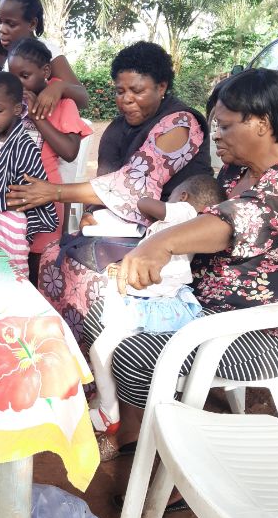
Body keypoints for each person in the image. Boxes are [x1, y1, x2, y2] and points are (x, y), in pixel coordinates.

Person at [84, 69, 278, 508]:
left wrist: (160, 243)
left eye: (226, 124)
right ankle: (144, 429)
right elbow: (193, 214)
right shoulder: (235, 173)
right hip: (201, 311)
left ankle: (177, 467)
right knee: (102, 308)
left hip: (267, 332)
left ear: (263, 123)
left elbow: (229, 225)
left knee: (136, 353)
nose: (216, 134)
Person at [7, 42, 212, 346]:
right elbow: (106, 180)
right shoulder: (119, 128)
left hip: (170, 237)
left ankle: (106, 365)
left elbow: (132, 184)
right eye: (120, 91)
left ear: (162, 86)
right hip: (127, 229)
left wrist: (55, 192)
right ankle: (68, 358)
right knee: (54, 254)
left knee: (90, 278)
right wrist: (94, 217)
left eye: (138, 91)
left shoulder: (181, 123)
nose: (127, 100)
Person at [88, 175, 225, 457]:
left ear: (183, 197)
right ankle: (111, 407)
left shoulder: (187, 213)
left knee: (100, 350)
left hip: (152, 306)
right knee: (103, 338)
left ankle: (108, 411)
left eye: (172, 196)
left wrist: (151, 202)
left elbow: (146, 204)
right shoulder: (188, 223)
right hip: (159, 304)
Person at [9, 37, 93, 283]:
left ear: (45, 71)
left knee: (38, 265)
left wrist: (37, 117)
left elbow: (69, 151)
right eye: (13, 76)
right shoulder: (14, 103)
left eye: (24, 76)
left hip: (46, 198)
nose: (18, 83)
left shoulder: (64, 104)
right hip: (14, 197)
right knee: (13, 262)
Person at [0, 72, 58, 278]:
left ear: (17, 109)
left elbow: (31, 196)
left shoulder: (24, 146)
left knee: (10, 279)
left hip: (9, 231)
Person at [0, 0, 89, 117]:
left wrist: (59, 87)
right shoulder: (12, 54)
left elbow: (84, 99)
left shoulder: (47, 51)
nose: (2, 29)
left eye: (10, 24)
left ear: (32, 23)